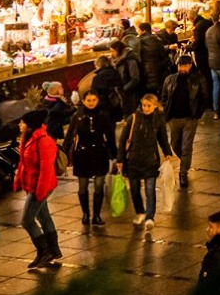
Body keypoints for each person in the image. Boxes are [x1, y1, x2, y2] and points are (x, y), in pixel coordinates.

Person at [13, 110, 62, 271]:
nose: (20, 125)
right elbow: (23, 163)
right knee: (44, 216)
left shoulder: (44, 141)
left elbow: (46, 170)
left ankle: (44, 252)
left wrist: (40, 192)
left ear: (30, 125)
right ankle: (53, 251)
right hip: (32, 185)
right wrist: (19, 179)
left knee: (26, 220)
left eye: (22, 122)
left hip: (40, 186)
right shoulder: (28, 139)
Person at [64, 87, 117, 229]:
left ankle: (97, 215)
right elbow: (69, 136)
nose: (91, 103)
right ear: (83, 101)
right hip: (82, 154)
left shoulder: (103, 115)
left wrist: (115, 156)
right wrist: (63, 155)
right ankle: (85, 213)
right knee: (83, 187)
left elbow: (110, 137)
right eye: (88, 100)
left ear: (98, 100)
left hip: (100, 152)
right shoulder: (77, 116)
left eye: (94, 100)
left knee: (99, 186)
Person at [119, 90, 171, 229]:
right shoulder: (134, 118)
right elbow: (124, 139)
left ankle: (150, 217)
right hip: (133, 161)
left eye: (149, 105)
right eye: (144, 105)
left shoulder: (158, 119)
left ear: (155, 106)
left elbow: (162, 138)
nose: (146, 108)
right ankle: (140, 212)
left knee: (150, 189)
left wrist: (167, 152)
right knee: (135, 190)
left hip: (150, 160)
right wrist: (120, 159)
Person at [160, 52, 208, 191]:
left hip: (189, 118)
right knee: (175, 144)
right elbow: (164, 96)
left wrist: (198, 113)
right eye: (180, 65)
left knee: (186, 146)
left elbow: (204, 96)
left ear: (190, 66)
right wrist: (166, 110)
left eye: (185, 66)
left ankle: (183, 173)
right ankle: (185, 161)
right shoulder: (170, 80)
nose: (182, 68)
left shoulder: (197, 79)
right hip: (174, 118)